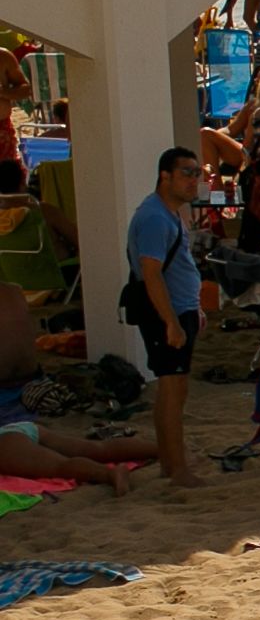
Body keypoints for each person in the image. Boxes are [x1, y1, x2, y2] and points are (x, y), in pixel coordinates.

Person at [127, 146, 206, 487]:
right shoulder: (155, 217)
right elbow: (151, 273)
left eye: (197, 173)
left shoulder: (168, 213)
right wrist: (171, 321)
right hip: (166, 313)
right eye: (186, 173)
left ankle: (170, 465)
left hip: (180, 308)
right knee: (172, 390)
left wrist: (192, 309)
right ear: (165, 176)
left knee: (174, 388)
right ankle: (177, 470)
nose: (193, 180)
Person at [0, 419, 161, 496]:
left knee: (60, 466)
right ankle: (163, 449)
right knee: (98, 449)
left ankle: (109, 474)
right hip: (18, 428)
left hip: (6, 442)